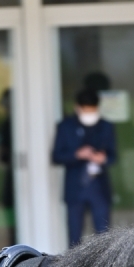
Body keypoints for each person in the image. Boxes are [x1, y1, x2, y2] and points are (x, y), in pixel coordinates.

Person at [51, 88, 117, 247]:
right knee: (74, 238)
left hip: (99, 189)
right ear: (77, 108)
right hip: (75, 189)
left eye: (93, 111)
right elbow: (56, 156)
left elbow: (113, 156)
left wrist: (103, 158)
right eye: (86, 111)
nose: (90, 115)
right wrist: (77, 154)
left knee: (104, 237)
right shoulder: (65, 127)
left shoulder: (106, 126)